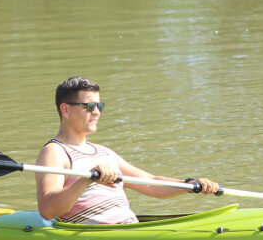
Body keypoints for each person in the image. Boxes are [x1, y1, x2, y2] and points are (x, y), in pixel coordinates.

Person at [35, 76, 219, 224]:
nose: (97, 112)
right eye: (89, 106)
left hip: (128, 226)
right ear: (66, 110)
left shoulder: (103, 152)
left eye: (99, 106)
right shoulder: (54, 152)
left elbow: (150, 183)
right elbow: (48, 210)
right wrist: (86, 179)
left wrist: (189, 185)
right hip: (97, 235)